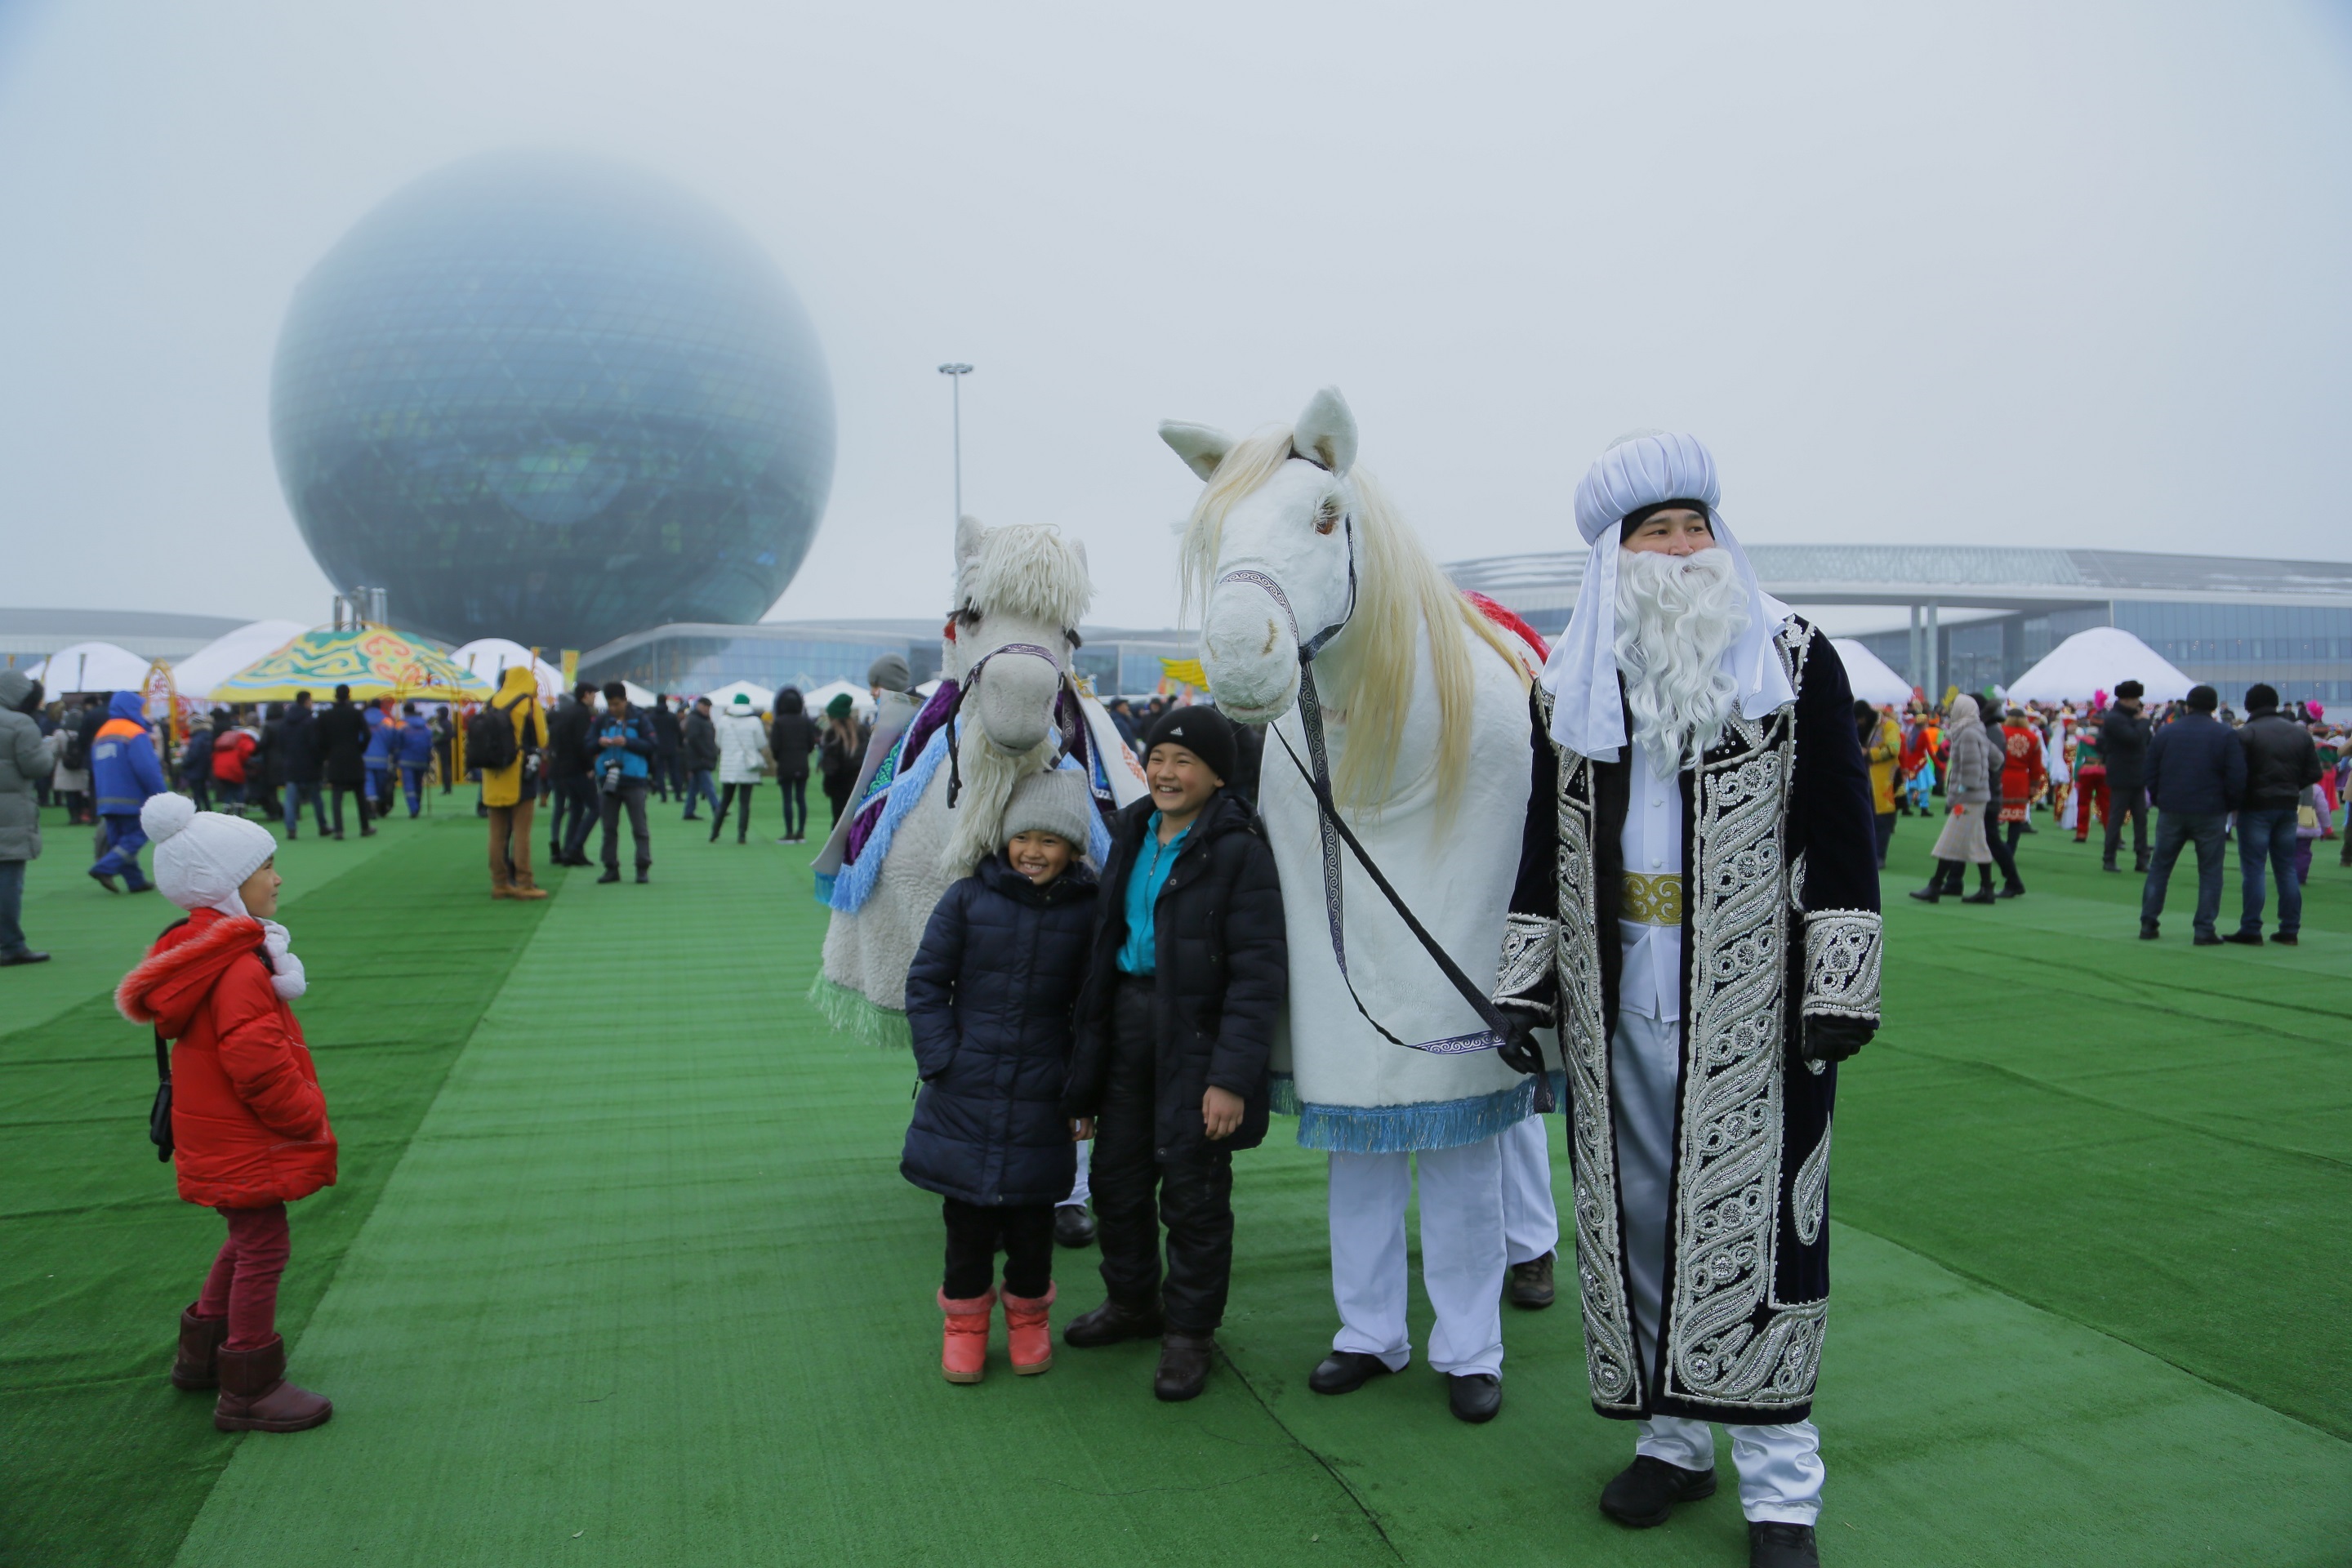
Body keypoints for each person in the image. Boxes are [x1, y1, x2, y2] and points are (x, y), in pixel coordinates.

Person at [1496, 433, 1878, 1568]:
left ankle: (1781, 1488)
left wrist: (1840, 984)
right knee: (1635, 1222)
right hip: (1614, 991)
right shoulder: (1569, 680)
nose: (1676, 551)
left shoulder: (1795, 659)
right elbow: (1537, 841)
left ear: (1721, 535)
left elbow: (1844, 829)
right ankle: (1672, 1441)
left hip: (1754, 1004)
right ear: (1614, 555)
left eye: (1691, 526)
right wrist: (1524, 983)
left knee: (1763, 1235)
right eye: (1651, 533)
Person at [1061, 707, 1285, 1404]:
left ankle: (1189, 1334)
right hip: (1128, 1022)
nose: (1165, 772)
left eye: (1184, 761)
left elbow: (1258, 977)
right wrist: (1084, 1078)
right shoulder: (1131, 830)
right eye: (1157, 757)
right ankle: (1133, 1304)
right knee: (1117, 1184)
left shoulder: (1240, 847)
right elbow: (1102, 951)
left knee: (1192, 1195)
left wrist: (1230, 1079)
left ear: (1219, 775)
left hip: (1198, 1038)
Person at [116, 793, 335, 1434]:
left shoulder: (198, 949)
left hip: (214, 1133)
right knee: (264, 1245)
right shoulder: (237, 967)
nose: (277, 878)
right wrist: (305, 1116)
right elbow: (258, 1064)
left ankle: (202, 1354)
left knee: (245, 1238)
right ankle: (249, 1383)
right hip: (246, 1137)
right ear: (224, 882)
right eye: (266, 866)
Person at [903, 770, 1101, 1383]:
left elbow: (1094, 1007)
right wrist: (942, 1059)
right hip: (964, 1090)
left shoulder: (1090, 911)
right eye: (1023, 838)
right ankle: (963, 1326)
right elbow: (927, 982)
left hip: (1044, 1096)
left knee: (1032, 1225)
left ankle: (1029, 1321)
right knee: (965, 1226)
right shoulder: (966, 899)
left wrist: (1079, 1084)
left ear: (1073, 849)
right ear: (1003, 840)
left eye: (1050, 841)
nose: (1033, 852)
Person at [2138, 684, 2243, 944]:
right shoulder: (2225, 734)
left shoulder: (2166, 732)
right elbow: (2237, 777)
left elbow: (2150, 770)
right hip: (2210, 810)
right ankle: (2204, 928)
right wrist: (2227, 804)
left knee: (2160, 867)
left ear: (2188, 706)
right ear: (2214, 707)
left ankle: (2148, 923)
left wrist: (2160, 797)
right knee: (2210, 872)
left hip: (2172, 808)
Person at [2227, 684, 2322, 946]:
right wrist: (2291, 786)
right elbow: (2314, 773)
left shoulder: (2245, 734)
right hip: (2287, 805)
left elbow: (2236, 774)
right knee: (2286, 869)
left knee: (2255, 870)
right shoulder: (2300, 734)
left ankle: (2251, 928)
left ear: (2249, 706)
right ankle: (2290, 929)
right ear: (2276, 703)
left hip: (2255, 806)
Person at [1909, 695, 2000, 904]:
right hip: (1975, 796)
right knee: (1977, 844)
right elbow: (1996, 759)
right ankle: (1986, 889)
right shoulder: (1976, 730)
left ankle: (1935, 885)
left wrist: (1963, 787)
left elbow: (1972, 767)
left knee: (1949, 840)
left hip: (1967, 797)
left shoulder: (1966, 733)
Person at [476, 666, 549, 898]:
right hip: (520, 775)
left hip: (493, 775)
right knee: (521, 833)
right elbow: (542, 738)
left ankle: (499, 883)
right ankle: (525, 883)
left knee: (496, 834)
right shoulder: (528, 703)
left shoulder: (491, 702)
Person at [0, 672, 58, 965]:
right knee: (8, 881)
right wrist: (48, 750)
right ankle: (9, 944)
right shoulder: (20, 724)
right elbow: (37, 767)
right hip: (9, 815)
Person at [89, 690, 167, 893]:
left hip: (106, 799)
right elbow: (147, 768)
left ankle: (135, 881)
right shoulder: (134, 732)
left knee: (119, 842)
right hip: (132, 798)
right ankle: (104, 868)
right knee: (136, 837)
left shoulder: (102, 733)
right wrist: (161, 794)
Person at [593, 681, 655, 884]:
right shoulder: (602, 720)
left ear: (625, 700)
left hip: (634, 780)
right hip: (608, 780)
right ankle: (611, 868)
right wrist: (598, 743)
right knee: (609, 827)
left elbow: (653, 744)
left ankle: (642, 867)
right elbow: (587, 744)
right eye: (610, 704)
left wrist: (628, 742)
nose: (613, 708)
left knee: (639, 827)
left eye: (616, 704)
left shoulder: (640, 719)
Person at [1991, 705, 2045, 896]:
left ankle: (1995, 850)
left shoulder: (2000, 733)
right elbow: (2037, 767)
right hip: (2021, 780)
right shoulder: (2033, 738)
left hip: (2001, 778)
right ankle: (2009, 850)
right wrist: (2033, 787)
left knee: (1994, 818)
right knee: (2016, 820)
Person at [2100, 681, 2153, 872]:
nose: (2137, 702)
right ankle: (2109, 858)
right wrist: (2145, 722)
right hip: (2122, 774)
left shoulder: (2129, 718)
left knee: (2141, 819)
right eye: (2135, 699)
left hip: (2137, 774)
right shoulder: (2115, 719)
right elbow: (2134, 738)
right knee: (2117, 817)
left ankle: (2142, 858)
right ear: (2126, 699)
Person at [544, 681, 597, 866]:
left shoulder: (565, 714)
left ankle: (568, 849)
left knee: (575, 808)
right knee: (595, 808)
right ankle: (574, 848)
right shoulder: (582, 714)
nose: (595, 698)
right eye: (593, 694)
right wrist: (589, 767)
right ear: (586, 695)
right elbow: (581, 743)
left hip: (560, 769)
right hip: (576, 769)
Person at [311, 686, 374, 841]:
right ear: (349, 695)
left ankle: (339, 830)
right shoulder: (356, 713)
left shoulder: (326, 715)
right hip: (354, 757)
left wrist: (327, 753)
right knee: (360, 793)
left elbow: (318, 739)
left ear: (335, 696)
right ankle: (365, 827)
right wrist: (360, 749)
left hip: (335, 758)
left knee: (336, 795)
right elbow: (367, 734)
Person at [710, 691, 769, 844]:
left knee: (725, 801)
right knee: (745, 802)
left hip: (729, 766)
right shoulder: (755, 722)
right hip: (747, 766)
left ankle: (714, 832)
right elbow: (761, 743)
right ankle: (741, 834)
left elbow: (718, 742)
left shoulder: (723, 720)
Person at [768, 687, 818, 844]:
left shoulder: (779, 722)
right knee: (801, 799)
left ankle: (789, 832)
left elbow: (774, 746)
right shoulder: (806, 721)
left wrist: (780, 757)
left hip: (785, 764)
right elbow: (812, 744)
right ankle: (801, 832)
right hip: (802, 764)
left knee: (787, 799)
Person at [278, 692, 329, 840]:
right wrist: (320, 760)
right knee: (316, 798)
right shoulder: (311, 722)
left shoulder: (285, 722)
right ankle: (323, 826)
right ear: (307, 701)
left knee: (290, 800)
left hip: (291, 764)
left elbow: (281, 744)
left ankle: (291, 829)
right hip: (310, 765)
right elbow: (316, 744)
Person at [1858, 702, 1900, 868]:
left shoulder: (1889, 726)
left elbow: (1893, 749)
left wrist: (1870, 753)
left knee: (1882, 821)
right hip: (1868, 780)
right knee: (1868, 820)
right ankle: (1870, 855)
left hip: (1886, 781)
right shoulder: (1870, 727)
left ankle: (1879, 856)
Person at [817, 693, 863, 825]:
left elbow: (831, 767)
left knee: (839, 824)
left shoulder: (833, 735)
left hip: (840, 788)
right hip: (859, 787)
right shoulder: (862, 732)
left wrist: (828, 787)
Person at [679, 696, 721, 822]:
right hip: (699, 758)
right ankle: (718, 809)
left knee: (694, 787)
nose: (707, 710)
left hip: (700, 757)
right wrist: (707, 753)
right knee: (708, 786)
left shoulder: (702, 720)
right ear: (699, 706)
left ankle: (689, 811)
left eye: (709, 708)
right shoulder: (695, 720)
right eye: (706, 707)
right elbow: (694, 740)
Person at [2070, 710, 2108, 841]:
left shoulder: (2084, 738)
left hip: (2087, 770)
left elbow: (2079, 758)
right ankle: (2112, 835)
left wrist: (2076, 777)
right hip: (2104, 771)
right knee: (2107, 804)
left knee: (2084, 803)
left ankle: (2081, 833)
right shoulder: (2109, 738)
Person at [211, 712, 256, 813]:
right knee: (239, 788)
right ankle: (239, 808)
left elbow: (213, 757)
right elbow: (245, 755)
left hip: (219, 770)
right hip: (234, 770)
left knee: (229, 789)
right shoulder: (239, 745)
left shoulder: (221, 748)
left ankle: (227, 807)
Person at [394, 702, 433, 818]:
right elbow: (430, 742)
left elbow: (397, 742)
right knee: (418, 783)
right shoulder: (425, 725)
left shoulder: (401, 724)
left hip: (406, 758)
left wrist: (396, 759)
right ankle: (418, 804)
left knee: (409, 785)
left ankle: (413, 808)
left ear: (405, 712)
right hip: (422, 758)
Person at [362, 699, 396, 820]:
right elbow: (392, 739)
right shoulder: (386, 721)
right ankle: (381, 804)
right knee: (381, 783)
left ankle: (371, 804)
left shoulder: (362, 720)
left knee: (368, 783)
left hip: (365, 758)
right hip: (382, 758)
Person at [178, 712, 216, 813]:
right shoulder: (207, 735)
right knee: (203, 792)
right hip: (204, 768)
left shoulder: (198, 738)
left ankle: (198, 811)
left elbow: (193, 754)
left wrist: (185, 763)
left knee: (197, 793)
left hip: (196, 769)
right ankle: (208, 810)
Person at [649, 694, 683, 803]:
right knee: (675, 772)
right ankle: (678, 794)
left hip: (657, 747)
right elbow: (679, 732)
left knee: (660, 773)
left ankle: (663, 795)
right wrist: (680, 744)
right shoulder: (672, 716)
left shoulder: (652, 716)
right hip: (671, 747)